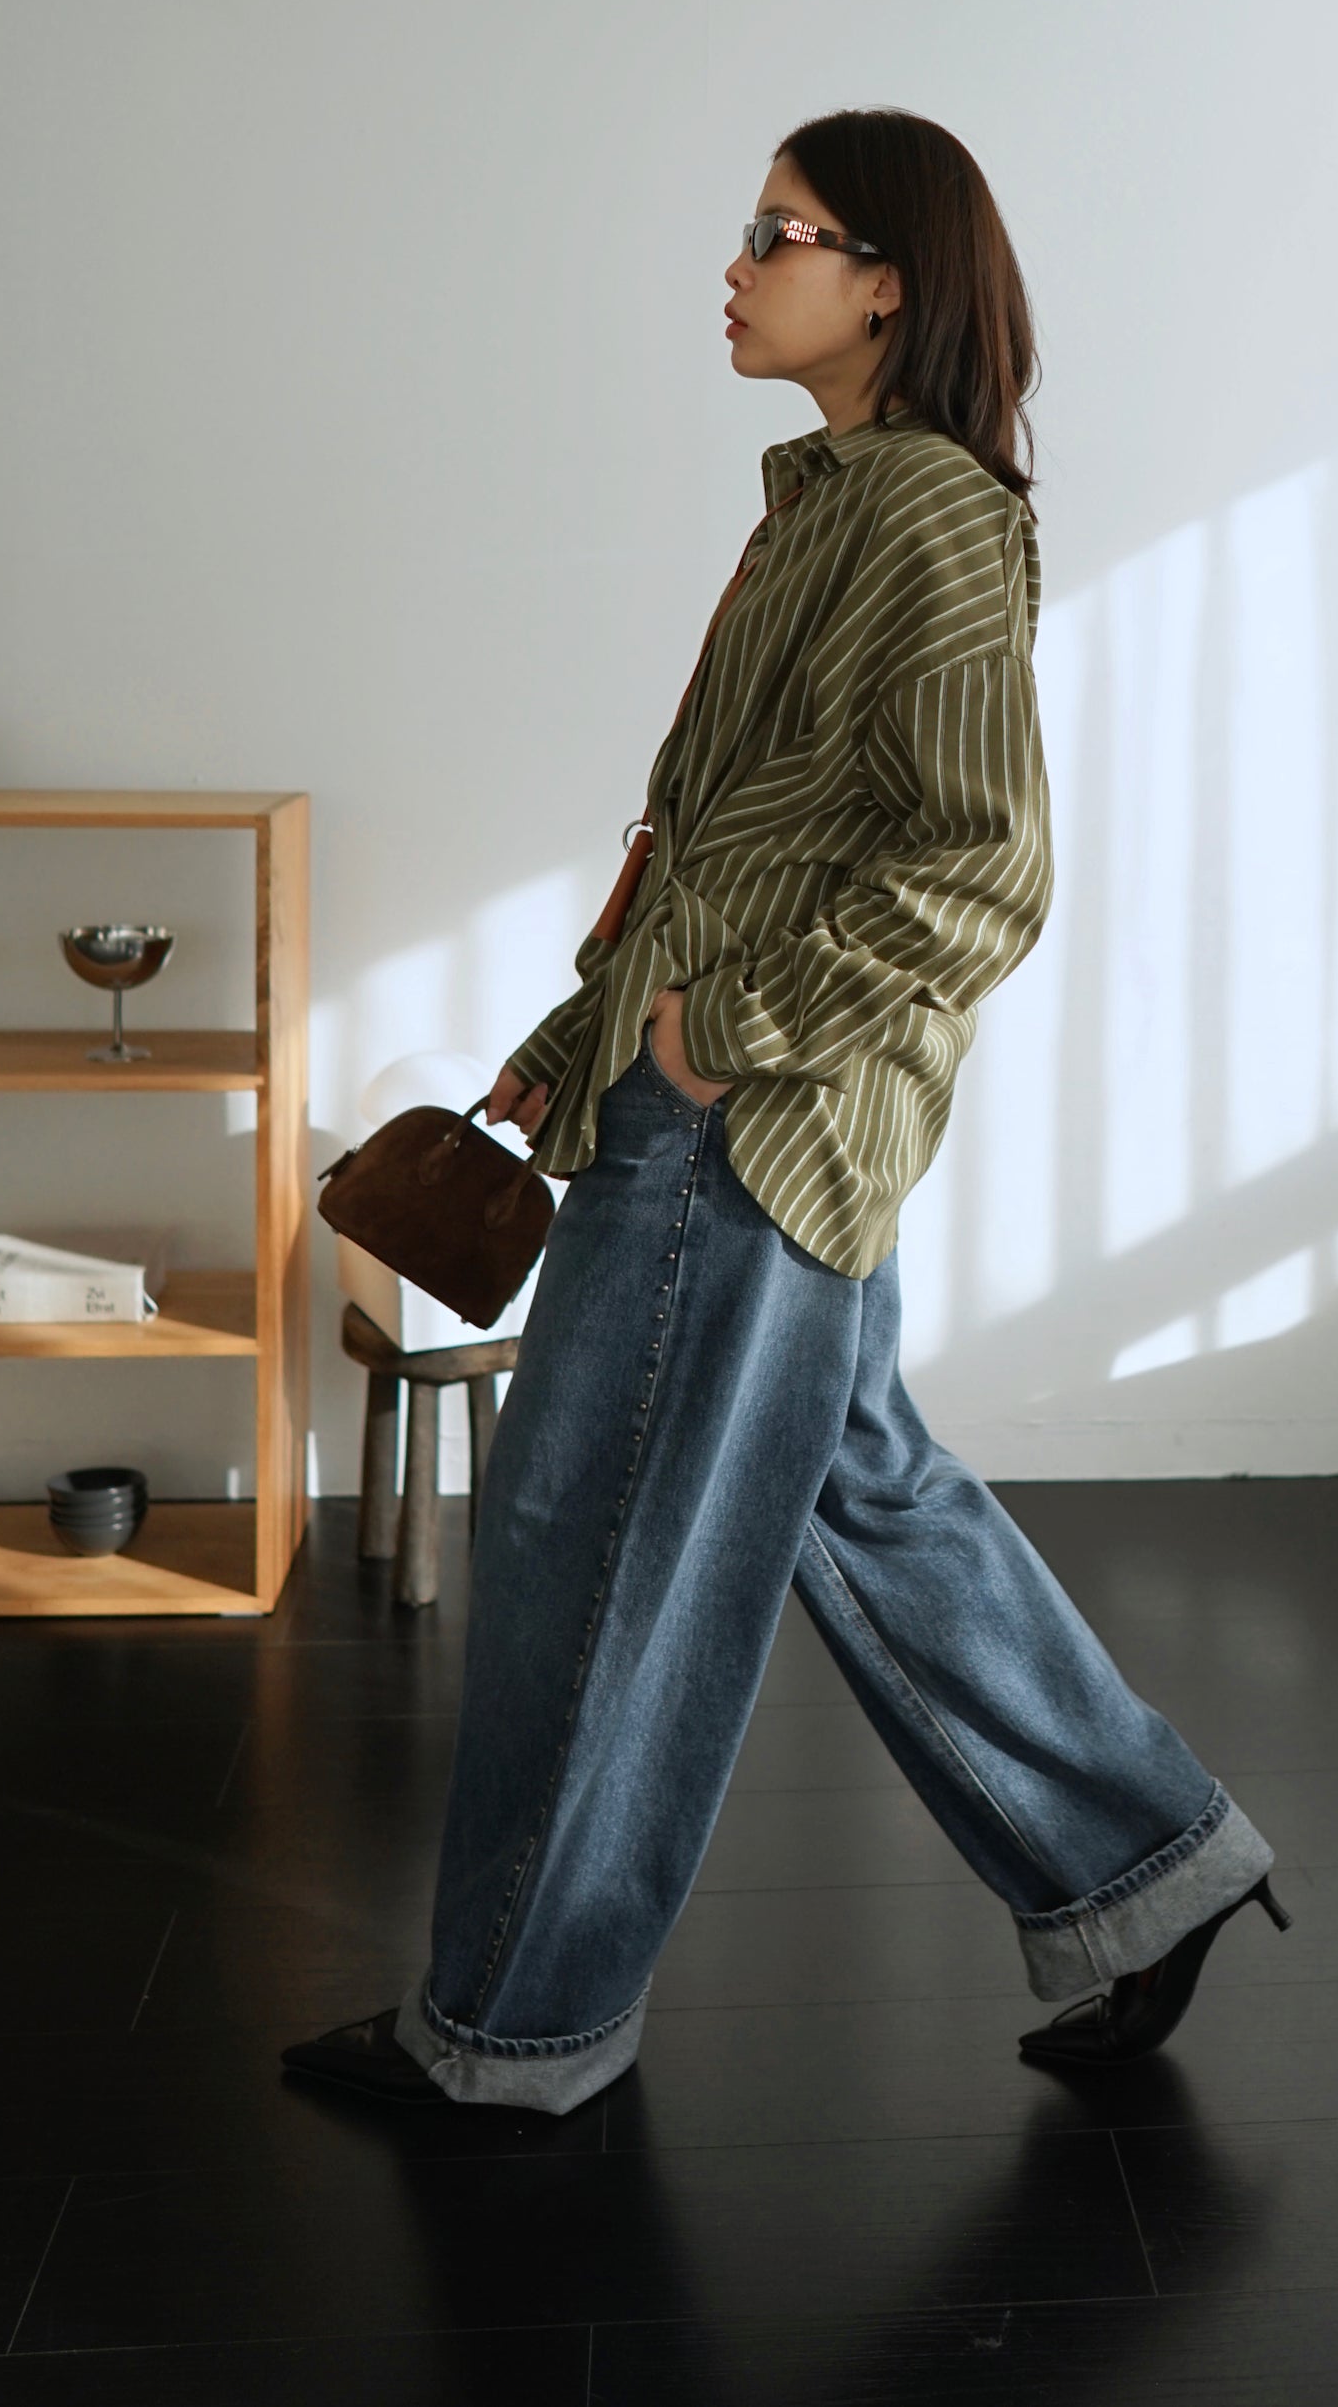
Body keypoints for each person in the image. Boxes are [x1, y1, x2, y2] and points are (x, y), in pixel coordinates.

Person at [284, 109, 1285, 2115]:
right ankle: (1139, 1864)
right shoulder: (825, 501)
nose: (735, 265)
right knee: (870, 1499)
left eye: (781, 231)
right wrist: (586, 1044)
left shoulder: (920, 511)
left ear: (889, 277)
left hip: (745, 1131)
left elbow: (980, 864)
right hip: (725, 1110)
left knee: (586, 1548)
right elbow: (736, 838)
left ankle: (511, 2032)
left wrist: (712, 1042)